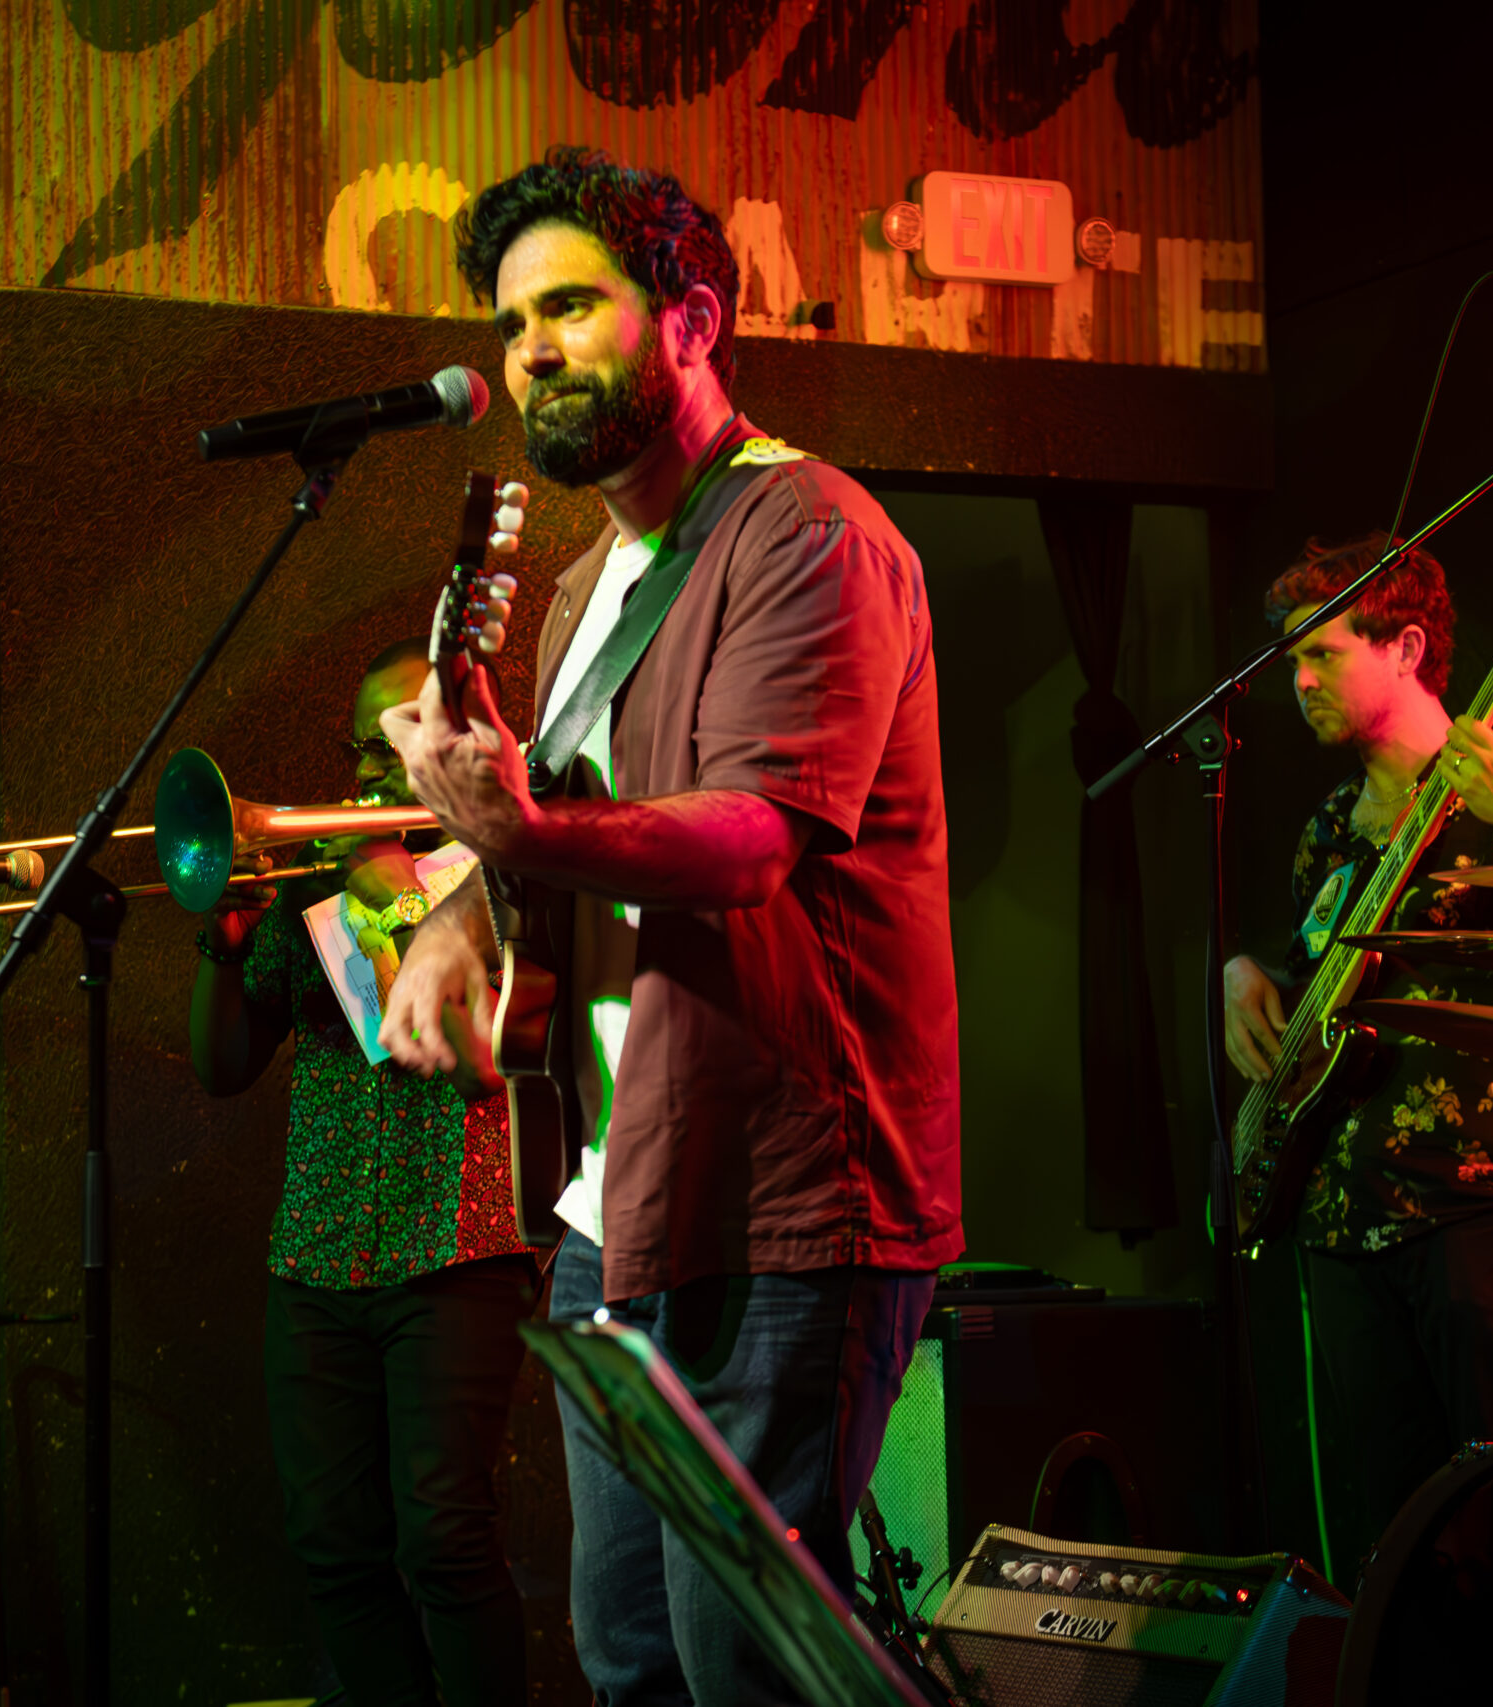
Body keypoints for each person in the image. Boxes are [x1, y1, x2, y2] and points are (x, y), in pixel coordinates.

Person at [376, 146, 965, 1703]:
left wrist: (514, 829)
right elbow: (561, 842)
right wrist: (465, 911)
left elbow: (753, 836)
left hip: (782, 1205)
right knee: (628, 1653)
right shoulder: (582, 591)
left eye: (571, 306)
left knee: (740, 1664)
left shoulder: (809, 532)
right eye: (514, 323)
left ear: (692, 320)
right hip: (616, 1203)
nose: (531, 351)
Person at [1221, 532, 1493, 1564]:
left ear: (1405, 647)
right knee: (1395, 1542)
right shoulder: (1328, 828)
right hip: (1342, 1215)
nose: (1298, 680)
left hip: (1486, 1205)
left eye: (1321, 652)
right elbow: (1323, 997)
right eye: (1292, 659)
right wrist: (1245, 974)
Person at [192, 638, 536, 1707]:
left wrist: (388, 892)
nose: (370, 775)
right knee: (334, 1547)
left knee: (444, 1541)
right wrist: (222, 945)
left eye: (396, 746)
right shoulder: (320, 884)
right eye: (361, 751)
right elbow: (224, 1066)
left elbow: (461, 1049)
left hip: (457, 1251)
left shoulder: (511, 872)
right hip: (317, 1257)